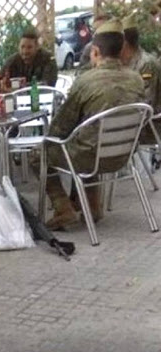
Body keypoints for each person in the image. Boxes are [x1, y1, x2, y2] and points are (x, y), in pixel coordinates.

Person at [38, 19, 145, 230]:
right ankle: (91, 206)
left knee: (41, 152)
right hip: (123, 156)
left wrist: (47, 138)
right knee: (89, 139)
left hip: (90, 157)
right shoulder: (137, 79)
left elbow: (60, 129)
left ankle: (63, 209)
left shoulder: (85, 81)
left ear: (95, 51)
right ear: (121, 48)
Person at [121, 14, 161, 122]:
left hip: (148, 128)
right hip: (131, 124)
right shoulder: (123, 62)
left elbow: (146, 104)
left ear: (124, 43)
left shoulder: (146, 64)